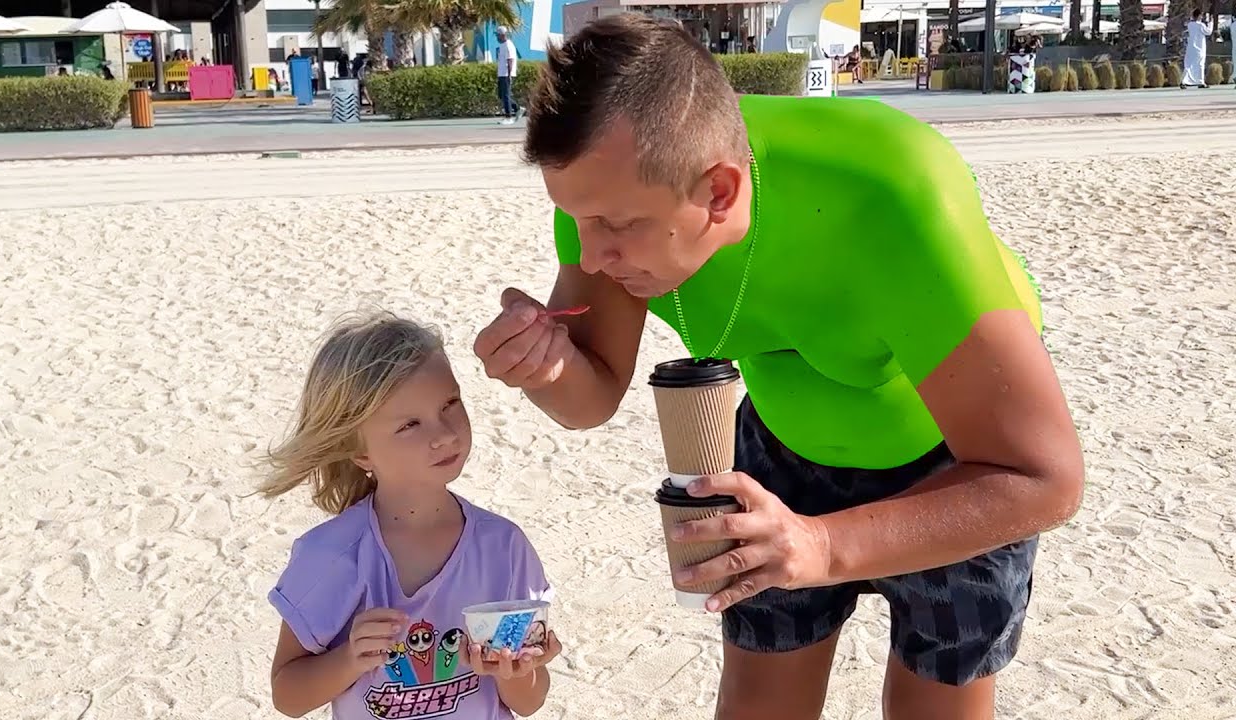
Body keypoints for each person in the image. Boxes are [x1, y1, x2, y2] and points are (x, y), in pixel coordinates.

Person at [472, 14, 1084, 720]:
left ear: (720, 193)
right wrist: (545, 369)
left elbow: (1046, 478)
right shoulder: (606, 195)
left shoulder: (893, 190)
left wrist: (821, 544)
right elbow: (593, 396)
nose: (590, 255)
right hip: (785, 434)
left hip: (954, 455)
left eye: (616, 226)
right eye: (574, 218)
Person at [260, 309, 563, 719]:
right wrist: (349, 659)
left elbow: (529, 702)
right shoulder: (330, 554)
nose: (445, 434)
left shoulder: (504, 547)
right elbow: (288, 696)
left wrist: (515, 673)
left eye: (450, 404)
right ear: (360, 452)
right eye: (410, 425)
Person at [494, 27, 519, 125]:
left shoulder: (508, 45)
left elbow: (510, 60)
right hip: (501, 74)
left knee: (506, 95)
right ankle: (517, 108)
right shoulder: (502, 45)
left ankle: (508, 117)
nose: (497, 37)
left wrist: (509, 75)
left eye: (498, 35)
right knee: (501, 95)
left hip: (506, 75)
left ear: (502, 35)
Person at [1182, 9, 1212, 89]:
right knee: (1200, 64)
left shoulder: (1190, 25)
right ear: (1199, 16)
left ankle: (1184, 81)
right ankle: (1200, 81)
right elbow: (1208, 32)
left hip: (1190, 48)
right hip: (1199, 48)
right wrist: (1210, 23)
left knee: (1188, 64)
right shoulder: (1201, 25)